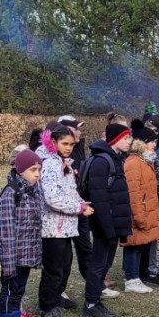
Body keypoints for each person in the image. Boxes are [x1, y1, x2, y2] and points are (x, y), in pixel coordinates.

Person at [36, 126, 91, 317]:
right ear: (54, 142)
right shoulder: (51, 164)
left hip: (65, 226)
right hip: (53, 227)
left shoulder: (63, 163)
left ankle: (55, 306)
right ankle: (48, 312)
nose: (68, 148)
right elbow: (52, 197)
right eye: (64, 144)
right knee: (54, 271)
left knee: (64, 268)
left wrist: (81, 203)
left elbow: (70, 191)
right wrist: (78, 207)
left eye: (71, 144)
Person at [80, 123, 133, 317]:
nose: (129, 141)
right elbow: (99, 197)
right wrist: (107, 227)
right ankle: (90, 304)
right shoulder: (102, 162)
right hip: (105, 223)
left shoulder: (114, 159)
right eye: (126, 137)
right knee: (98, 263)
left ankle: (96, 299)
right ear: (114, 139)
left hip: (113, 223)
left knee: (105, 263)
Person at [0, 150, 45, 317]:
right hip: (13, 257)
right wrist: (8, 265)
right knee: (9, 292)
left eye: (39, 169)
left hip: (26, 256)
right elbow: (6, 232)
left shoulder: (31, 191)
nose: (37, 173)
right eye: (33, 169)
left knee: (18, 292)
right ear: (21, 169)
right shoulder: (10, 194)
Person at [122, 126, 159, 293]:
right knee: (133, 244)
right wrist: (139, 216)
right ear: (142, 143)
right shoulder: (133, 162)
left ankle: (135, 276)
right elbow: (133, 192)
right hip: (138, 213)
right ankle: (131, 278)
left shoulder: (145, 161)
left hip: (145, 211)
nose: (154, 145)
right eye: (152, 141)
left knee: (138, 245)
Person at [57, 115, 92, 285]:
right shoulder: (54, 157)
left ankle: (93, 283)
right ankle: (59, 291)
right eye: (76, 128)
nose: (80, 131)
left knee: (85, 247)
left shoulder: (78, 149)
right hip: (64, 212)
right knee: (63, 256)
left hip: (80, 205)